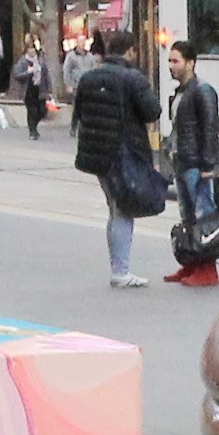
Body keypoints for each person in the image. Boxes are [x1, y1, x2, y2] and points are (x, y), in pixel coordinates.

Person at [70, 28, 162, 290]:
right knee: (123, 210)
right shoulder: (133, 78)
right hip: (124, 151)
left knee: (114, 207)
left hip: (96, 152)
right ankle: (120, 271)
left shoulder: (89, 77)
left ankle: (118, 267)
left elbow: (79, 113)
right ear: (131, 50)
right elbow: (152, 111)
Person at [163, 39, 219, 287]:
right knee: (188, 217)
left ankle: (207, 270)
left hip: (196, 164)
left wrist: (208, 165)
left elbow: (210, 129)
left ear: (191, 63)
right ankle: (192, 265)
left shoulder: (202, 91)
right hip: (183, 161)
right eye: (170, 60)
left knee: (203, 217)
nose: (171, 66)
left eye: (176, 60)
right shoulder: (182, 92)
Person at [15, 42, 50, 140]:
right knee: (32, 111)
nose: (32, 51)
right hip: (29, 90)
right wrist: (28, 73)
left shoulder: (40, 61)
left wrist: (49, 90)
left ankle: (34, 125)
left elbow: (46, 75)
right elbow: (17, 75)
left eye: (33, 49)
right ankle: (32, 130)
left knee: (42, 111)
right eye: (30, 49)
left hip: (40, 89)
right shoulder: (22, 62)